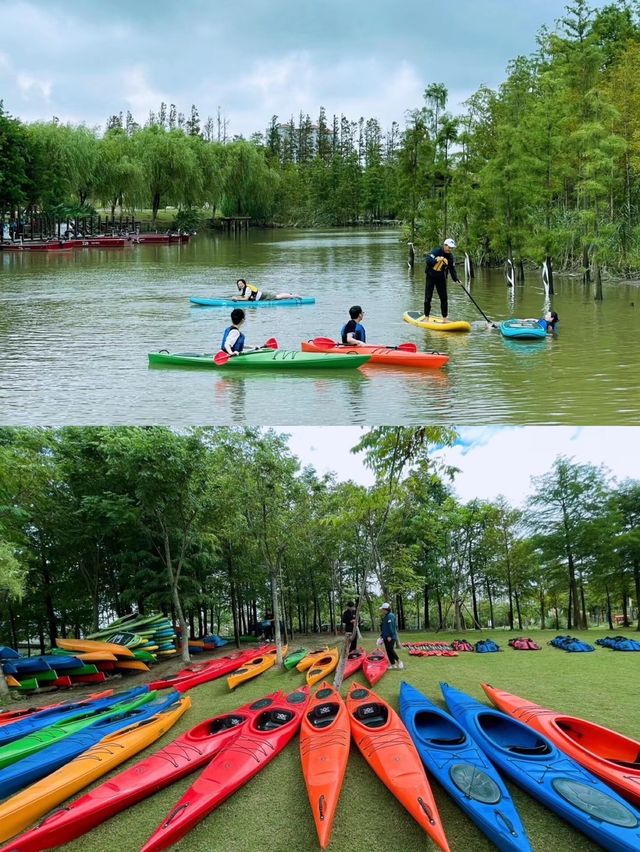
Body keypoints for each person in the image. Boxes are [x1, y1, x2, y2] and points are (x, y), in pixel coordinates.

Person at [424, 238, 461, 322]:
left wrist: (456, 279)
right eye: (449, 247)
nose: (450, 249)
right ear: (445, 246)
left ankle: (445, 318)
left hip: (441, 277)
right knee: (428, 297)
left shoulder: (450, 257)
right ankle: (426, 317)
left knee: (444, 298)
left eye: (452, 248)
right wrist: (435, 260)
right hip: (431, 276)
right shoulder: (436, 251)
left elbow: (452, 269)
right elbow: (428, 260)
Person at [379, 602, 403, 670]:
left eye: (382, 609)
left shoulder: (390, 616)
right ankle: (393, 664)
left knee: (390, 649)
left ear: (385, 609)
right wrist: (381, 635)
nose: (382, 611)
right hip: (385, 637)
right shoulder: (386, 616)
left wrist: (390, 635)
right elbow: (385, 627)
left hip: (391, 637)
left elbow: (392, 627)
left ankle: (399, 661)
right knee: (388, 650)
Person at [232, 278, 301, 302]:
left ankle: (294, 296)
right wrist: (237, 297)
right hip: (262, 295)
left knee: (278, 297)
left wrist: (237, 299)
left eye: (241, 283)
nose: (240, 285)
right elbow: (244, 296)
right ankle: (290, 294)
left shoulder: (247, 288)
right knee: (278, 295)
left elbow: (246, 298)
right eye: (239, 284)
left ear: (244, 283)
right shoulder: (244, 289)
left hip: (264, 296)